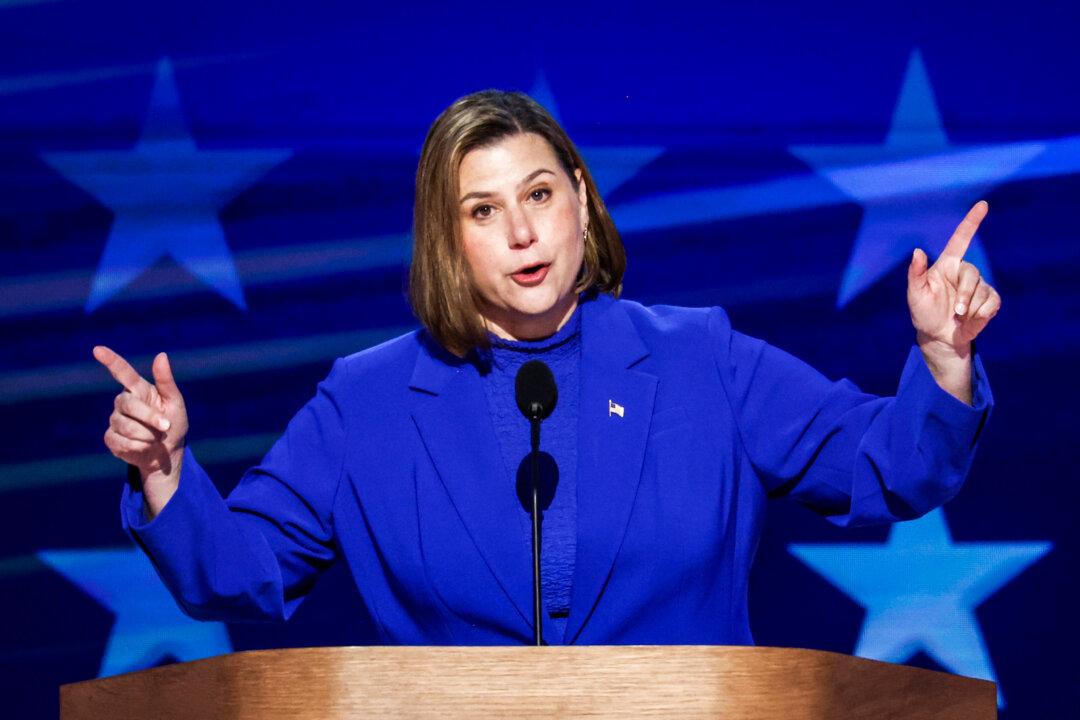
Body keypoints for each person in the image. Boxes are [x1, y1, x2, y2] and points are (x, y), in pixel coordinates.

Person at [94, 90, 997, 646]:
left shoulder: (701, 361)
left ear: (579, 196)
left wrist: (940, 357)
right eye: (481, 211)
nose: (522, 233)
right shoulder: (365, 403)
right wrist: (166, 473)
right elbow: (237, 569)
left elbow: (892, 466)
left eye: (537, 195)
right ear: (446, 240)